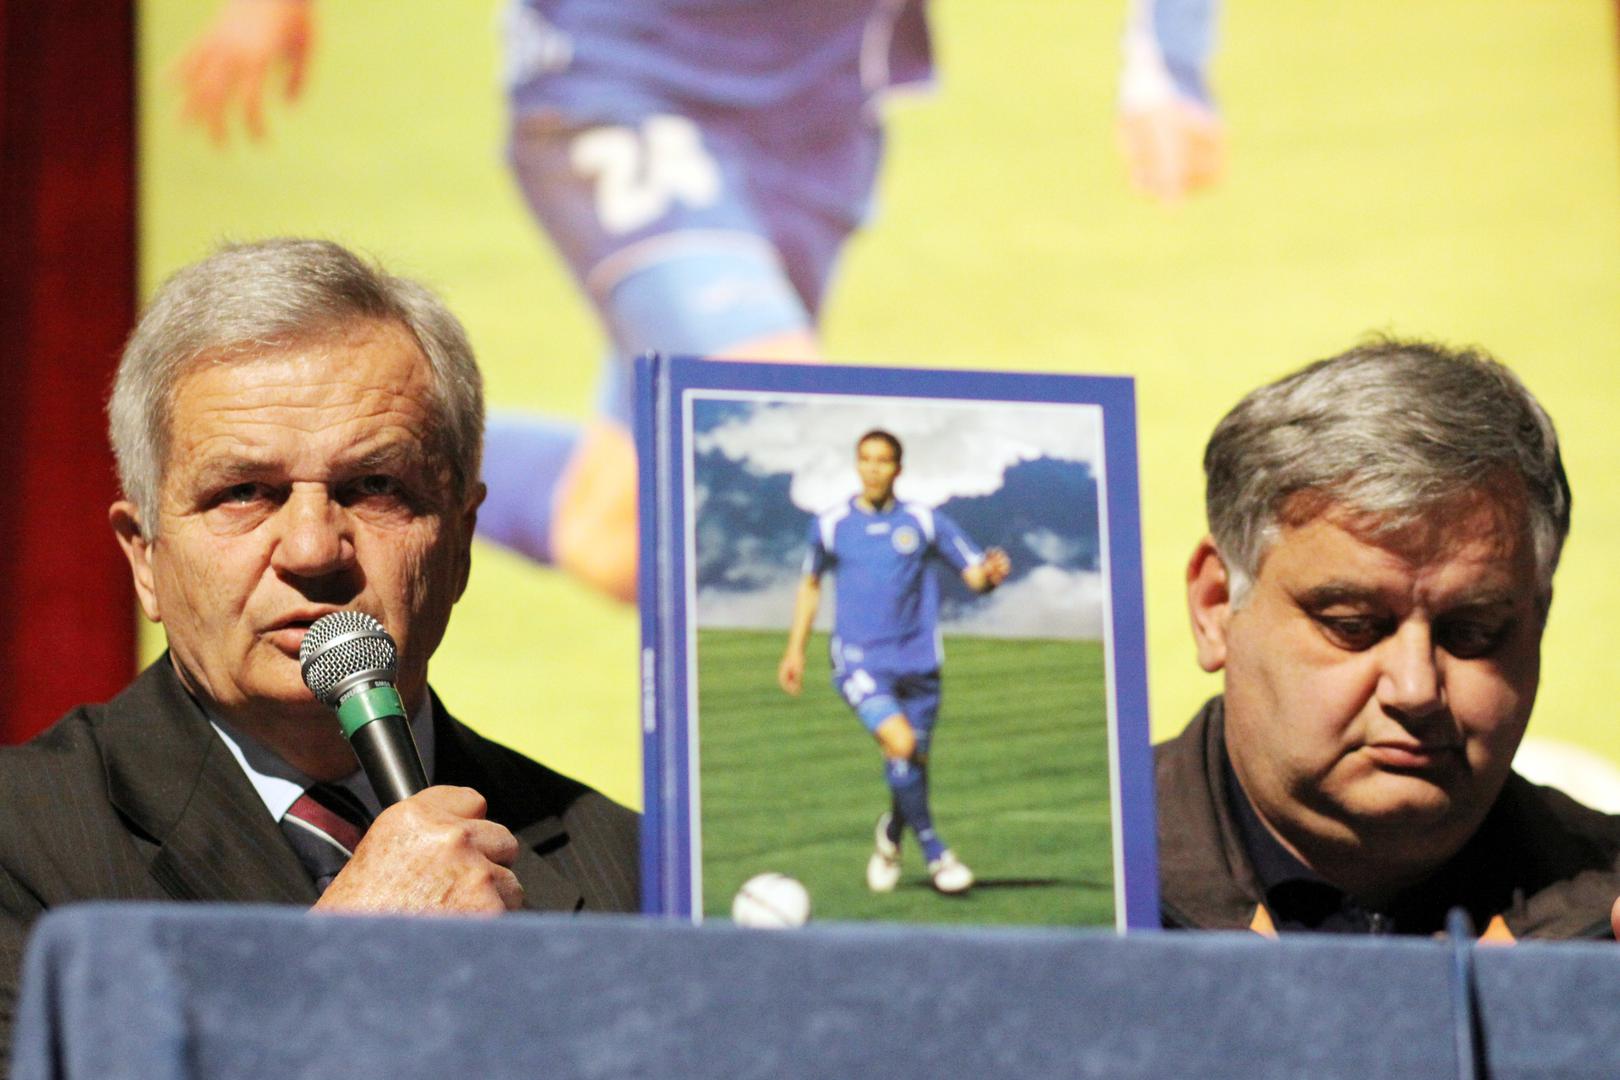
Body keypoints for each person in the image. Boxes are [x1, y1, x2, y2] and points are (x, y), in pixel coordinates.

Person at [171, 0, 1224, 603]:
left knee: (625, 532)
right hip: (620, 76)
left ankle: (349, 470)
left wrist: (1166, 62)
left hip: (818, 124)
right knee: (783, 420)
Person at [0, 238, 641, 1065]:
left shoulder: (632, 868)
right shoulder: (23, 842)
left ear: (460, 544)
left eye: (374, 487)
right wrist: (336, 969)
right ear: (144, 558)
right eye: (244, 492)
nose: (312, 549)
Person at [1159, 338, 1620, 939]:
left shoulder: (1607, 919)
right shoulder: (1077, 895)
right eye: (1352, 625)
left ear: (1537, 621)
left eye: (1472, 632)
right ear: (1216, 606)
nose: (1416, 689)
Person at [778, 430, 1011, 894]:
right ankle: (937, 854)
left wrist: (990, 577)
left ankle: (890, 836)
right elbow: (810, 585)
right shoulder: (830, 524)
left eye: (882, 461)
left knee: (911, 766)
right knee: (901, 746)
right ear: (856, 465)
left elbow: (974, 576)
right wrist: (794, 649)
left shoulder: (924, 521)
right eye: (865, 459)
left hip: (920, 664)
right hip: (860, 661)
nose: (873, 469)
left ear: (898, 469)